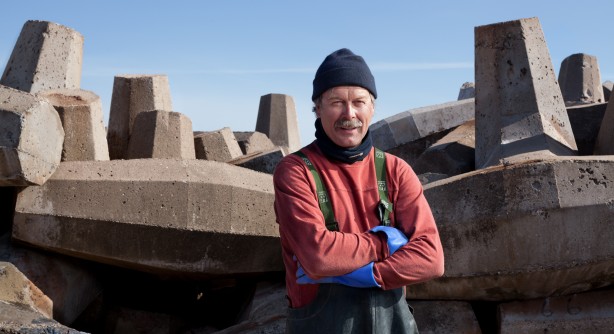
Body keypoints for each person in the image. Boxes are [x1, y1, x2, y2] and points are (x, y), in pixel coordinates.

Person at [273, 48, 445, 334]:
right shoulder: (295, 171)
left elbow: (431, 259)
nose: (349, 114)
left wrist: (372, 274)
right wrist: (385, 243)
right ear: (317, 107)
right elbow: (318, 256)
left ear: (372, 107)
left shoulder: (396, 170)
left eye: (359, 102)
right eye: (336, 102)